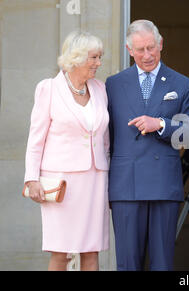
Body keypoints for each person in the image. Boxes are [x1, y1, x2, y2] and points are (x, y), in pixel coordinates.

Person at [106, 19, 189, 271]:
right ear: (129, 49)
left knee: (162, 263)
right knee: (127, 262)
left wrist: (161, 124)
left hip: (163, 184)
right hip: (125, 185)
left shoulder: (181, 83)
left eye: (151, 48)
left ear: (161, 44)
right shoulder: (112, 84)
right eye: (140, 49)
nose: (147, 55)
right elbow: (105, 137)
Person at [24, 31, 109, 271]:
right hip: (61, 183)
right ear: (77, 57)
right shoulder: (49, 89)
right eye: (93, 57)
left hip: (95, 180)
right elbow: (35, 140)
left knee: (91, 251)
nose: (98, 63)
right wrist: (31, 179)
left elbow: (105, 140)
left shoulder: (100, 89)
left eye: (100, 57)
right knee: (60, 252)